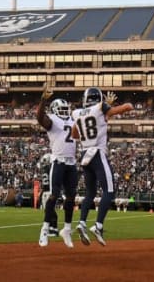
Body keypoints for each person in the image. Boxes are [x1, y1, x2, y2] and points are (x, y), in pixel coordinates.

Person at [71, 87, 133, 246]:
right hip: (97, 153)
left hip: (84, 155)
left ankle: (82, 223)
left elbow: (74, 134)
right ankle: (98, 226)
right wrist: (124, 105)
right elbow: (125, 108)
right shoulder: (100, 108)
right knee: (109, 191)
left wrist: (104, 115)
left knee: (90, 193)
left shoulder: (76, 113)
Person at [36, 87, 77, 248]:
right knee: (53, 195)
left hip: (72, 162)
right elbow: (40, 118)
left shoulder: (72, 120)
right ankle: (45, 229)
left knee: (71, 198)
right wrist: (43, 100)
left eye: (66, 109)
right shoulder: (52, 120)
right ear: (54, 110)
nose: (65, 111)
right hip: (58, 161)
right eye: (61, 109)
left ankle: (66, 229)